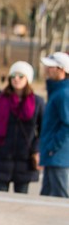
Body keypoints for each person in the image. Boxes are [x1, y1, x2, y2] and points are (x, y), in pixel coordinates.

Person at [0, 61, 44, 194]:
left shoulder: (37, 102)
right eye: (13, 76)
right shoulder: (0, 99)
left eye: (20, 76)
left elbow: (43, 130)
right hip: (2, 156)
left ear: (28, 79)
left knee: (21, 197)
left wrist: (35, 149)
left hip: (25, 159)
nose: (16, 79)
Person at [38, 52, 69, 198]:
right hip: (53, 155)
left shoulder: (64, 93)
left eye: (51, 67)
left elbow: (67, 124)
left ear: (61, 70)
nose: (46, 70)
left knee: (60, 195)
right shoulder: (57, 92)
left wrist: (53, 146)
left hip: (58, 156)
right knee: (47, 195)